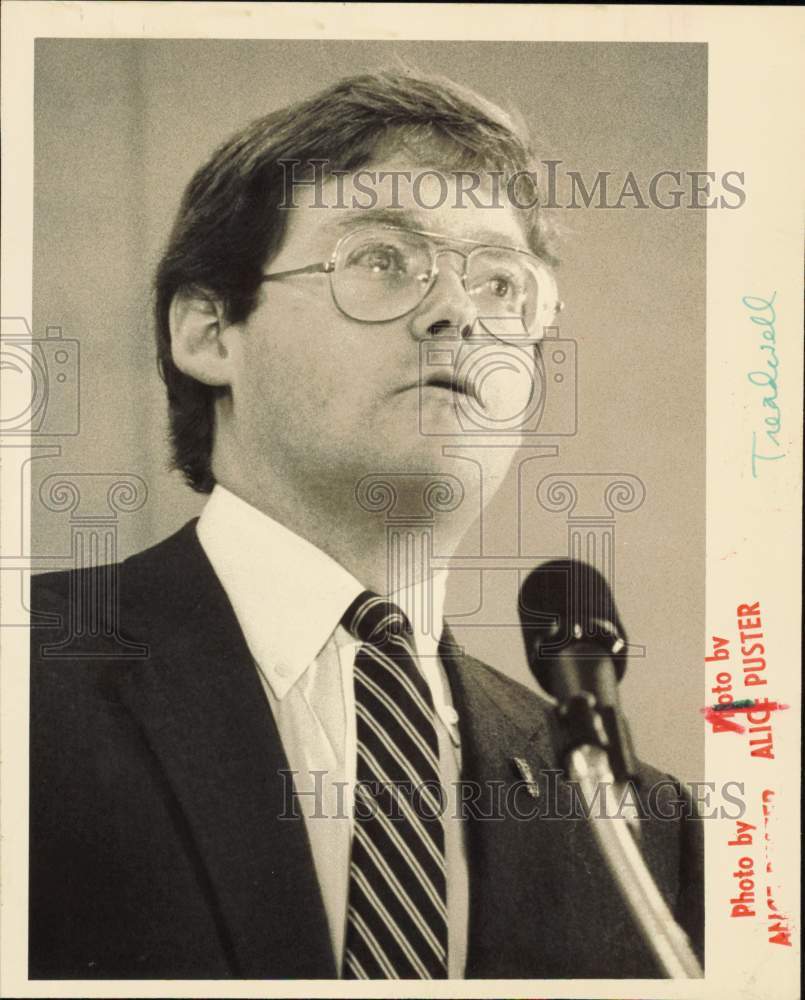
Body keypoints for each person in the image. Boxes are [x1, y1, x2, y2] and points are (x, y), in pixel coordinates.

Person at [29, 68, 702, 980]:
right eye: (382, 259)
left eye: (503, 285)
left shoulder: (641, 825)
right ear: (210, 332)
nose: (460, 314)